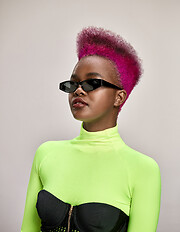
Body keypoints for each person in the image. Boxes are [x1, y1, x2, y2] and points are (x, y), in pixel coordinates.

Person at [21, 26, 161, 232]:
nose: (78, 90)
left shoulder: (143, 169)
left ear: (119, 97)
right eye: (73, 84)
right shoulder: (46, 154)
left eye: (92, 83)